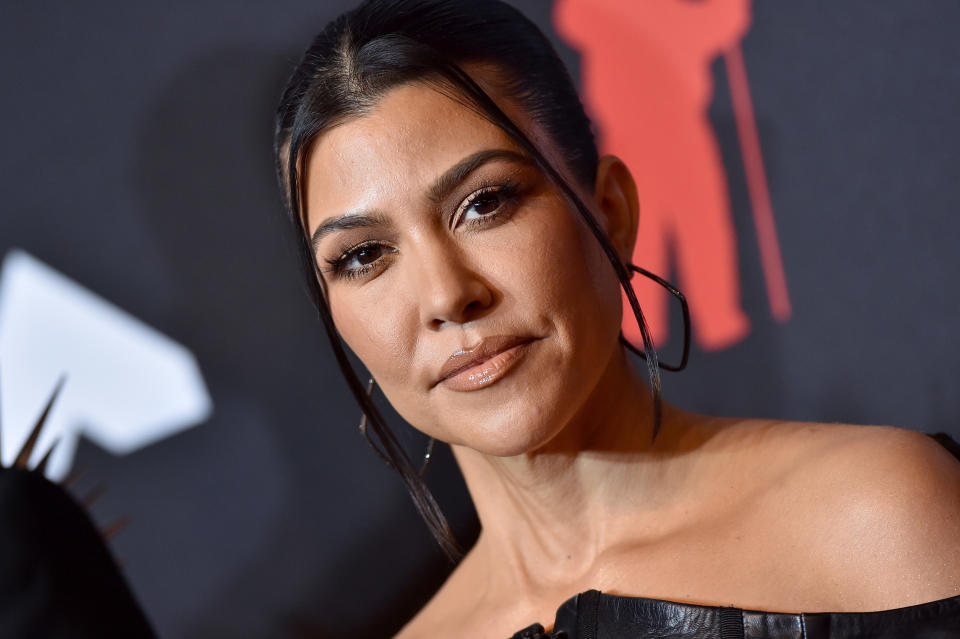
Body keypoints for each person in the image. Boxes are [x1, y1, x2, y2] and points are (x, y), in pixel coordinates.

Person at [273, 0, 960, 636]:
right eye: (364, 255)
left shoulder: (876, 516)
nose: (448, 296)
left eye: (485, 203)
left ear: (611, 211)